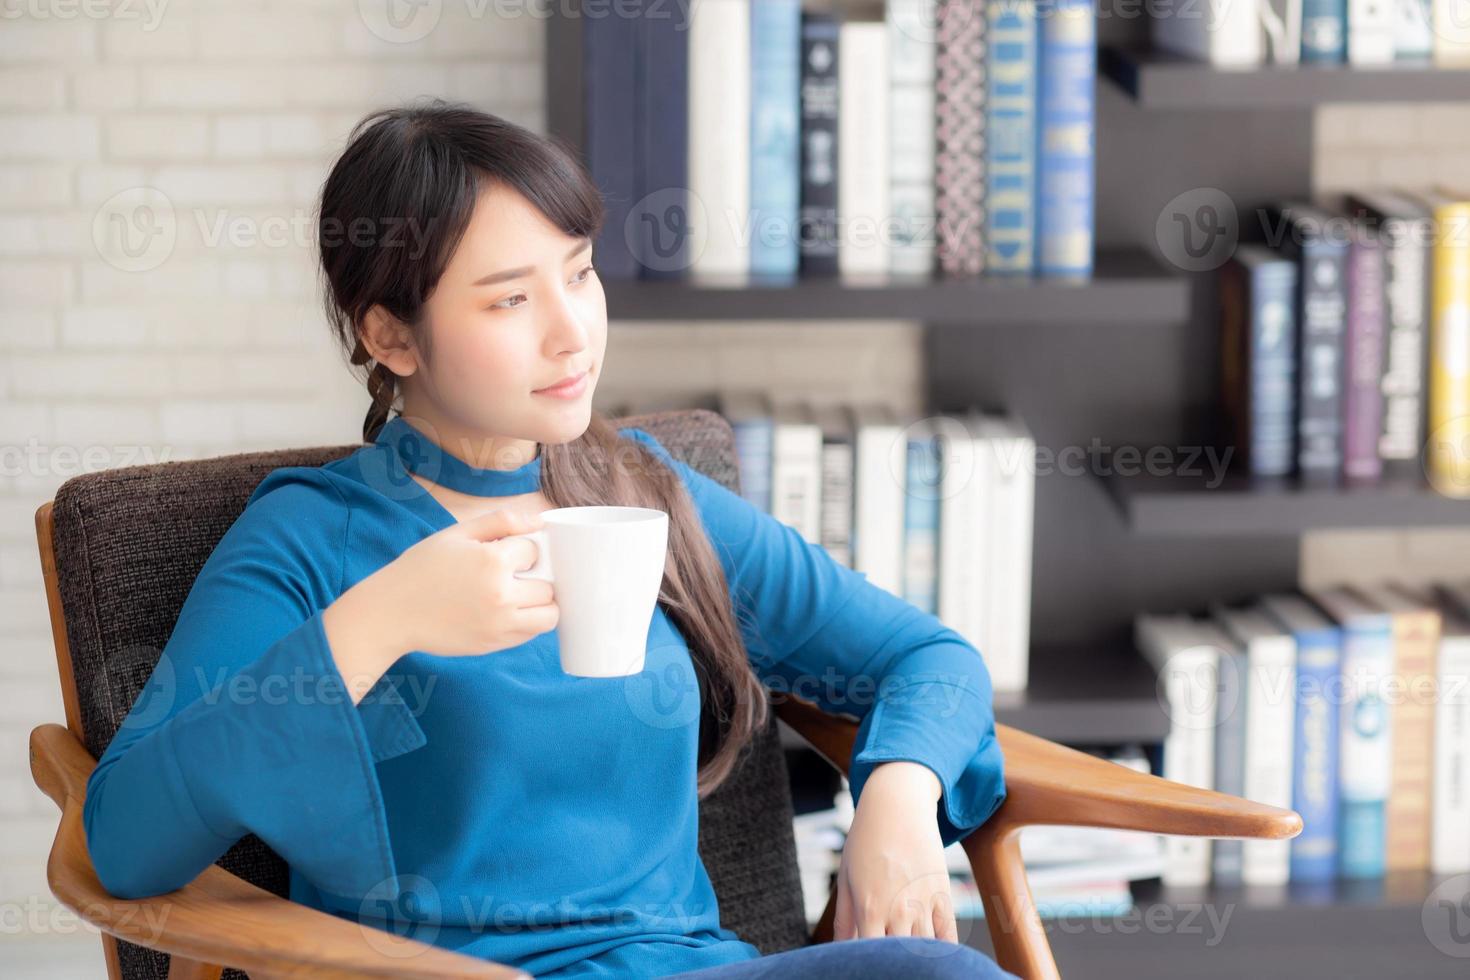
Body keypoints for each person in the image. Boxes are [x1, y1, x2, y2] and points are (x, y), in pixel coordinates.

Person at [83, 99, 1013, 980]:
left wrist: (895, 798)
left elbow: (925, 656)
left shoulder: (640, 491)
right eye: (509, 301)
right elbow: (123, 842)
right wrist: (381, 621)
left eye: (579, 273)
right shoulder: (310, 537)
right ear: (391, 335)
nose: (574, 335)